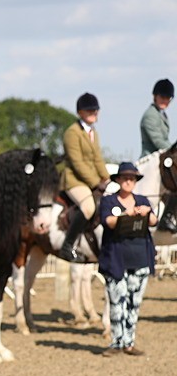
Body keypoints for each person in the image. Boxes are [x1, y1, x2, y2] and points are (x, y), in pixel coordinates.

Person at [97, 162, 157, 357]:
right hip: (116, 258)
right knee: (117, 301)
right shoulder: (109, 201)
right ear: (118, 180)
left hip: (140, 258)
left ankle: (129, 342)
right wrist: (127, 214)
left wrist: (147, 213)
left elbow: (154, 221)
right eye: (125, 178)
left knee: (134, 303)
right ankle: (116, 342)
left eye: (132, 178)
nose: (128, 181)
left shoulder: (143, 200)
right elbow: (108, 222)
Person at [58, 92, 111, 262]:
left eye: (95, 110)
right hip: (74, 180)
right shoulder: (72, 133)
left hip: (92, 180)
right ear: (80, 112)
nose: (94, 113)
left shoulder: (93, 132)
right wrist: (96, 182)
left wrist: (108, 179)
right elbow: (77, 163)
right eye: (89, 111)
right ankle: (67, 246)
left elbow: (98, 158)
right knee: (88, 207)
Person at [140, 79, 176, 231]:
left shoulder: (162, 115)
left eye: (168, 98)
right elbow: (159, 142)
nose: (165, 101)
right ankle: (165, 218)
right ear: (155, 96)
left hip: (161, 159)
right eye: (162, 97)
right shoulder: (150, 116)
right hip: (151, 161)